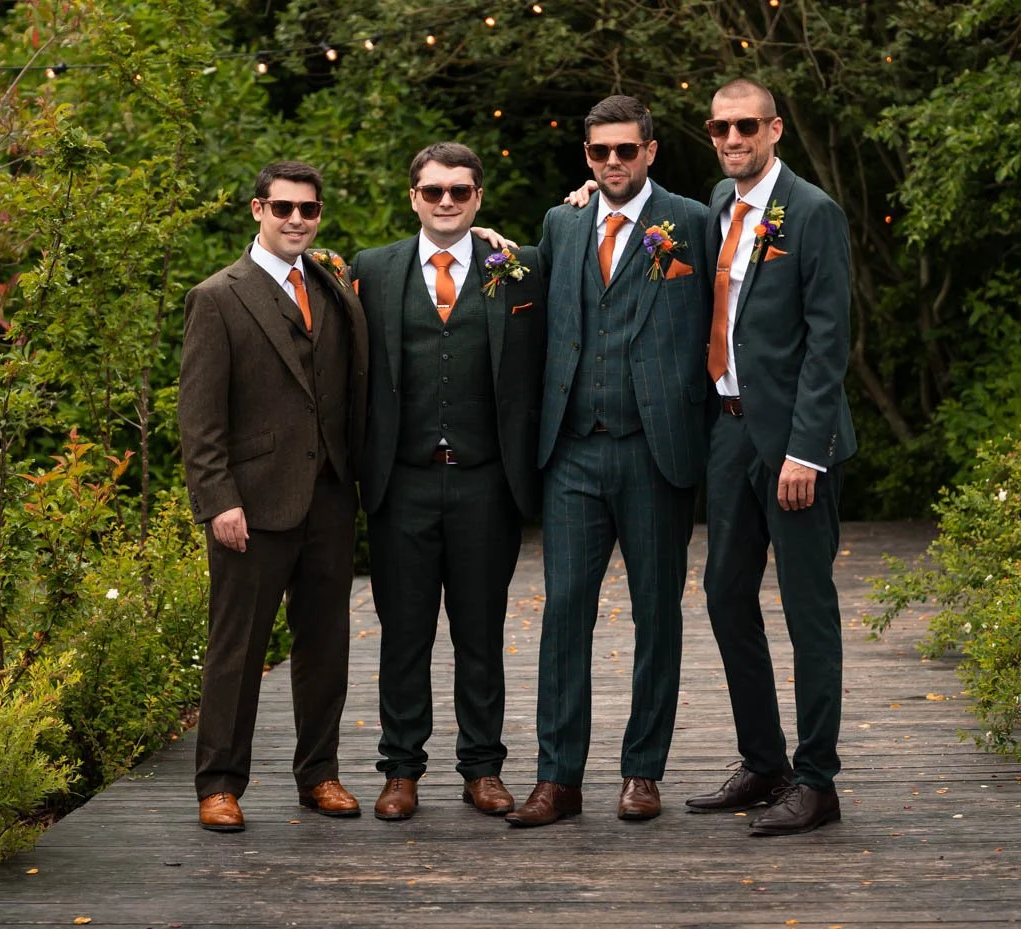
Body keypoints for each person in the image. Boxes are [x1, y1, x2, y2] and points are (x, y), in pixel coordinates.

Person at [507, 95, 713, 828]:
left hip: (657, 451)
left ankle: (642, 772)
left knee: (657, 615)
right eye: (601, 151)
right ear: (587, 157)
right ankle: (557, 779)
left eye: (627, 149)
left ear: (651, 151)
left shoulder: (692, 222)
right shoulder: (561, 224)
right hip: (572, 452)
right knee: (564, 613)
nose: (614, 161)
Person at [348, 143, 545, 821]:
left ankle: (482, 768)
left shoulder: (518, 266)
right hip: (400, 483)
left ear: (478, 197)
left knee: (480, 633)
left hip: (485, 483)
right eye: (433, 191)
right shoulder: (371, 269)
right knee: (403, 635)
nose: (446, 202)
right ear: (413, 197)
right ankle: (401, 770)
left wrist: (581, 197)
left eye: (460, 191)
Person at [685, 78, 857, 836]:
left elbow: (829, 341)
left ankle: (817, 782)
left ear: (775, 129)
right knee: (725, 594)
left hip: (795, 446)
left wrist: (806, 452)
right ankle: (765, 763)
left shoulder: (812, 213)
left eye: (746, 126)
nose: (732, 139)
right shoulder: (718, 206)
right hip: (729, 431)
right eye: (720, 128)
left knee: (807, 608)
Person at [179, 160, 368, 832]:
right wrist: (217, 500)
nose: (296, 219)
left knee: (326, 646)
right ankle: (219, 784)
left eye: (308, 209)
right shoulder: (217, 297)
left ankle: (319, 775)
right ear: (257, 210)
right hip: (252, 504)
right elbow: (199, 416)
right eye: (283, 207)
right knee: (237, 648)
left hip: (329, 497)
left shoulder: (332, 284)